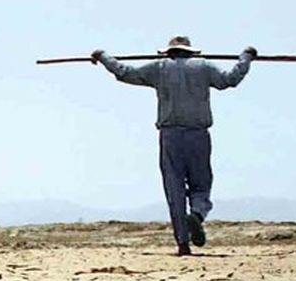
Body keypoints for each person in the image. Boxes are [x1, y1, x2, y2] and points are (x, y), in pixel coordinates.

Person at [92, 36, 256, 256]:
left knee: (174, 189)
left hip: (170, 136)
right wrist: (246, 57)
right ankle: (197, 214)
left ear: (169, 52)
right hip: (198, 134)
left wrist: (103, 56)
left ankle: (183, 242)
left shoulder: (159, 68)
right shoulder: (204, 66)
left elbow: (124, 72)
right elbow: (230, 79)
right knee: (201, 185)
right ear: (191, 52)